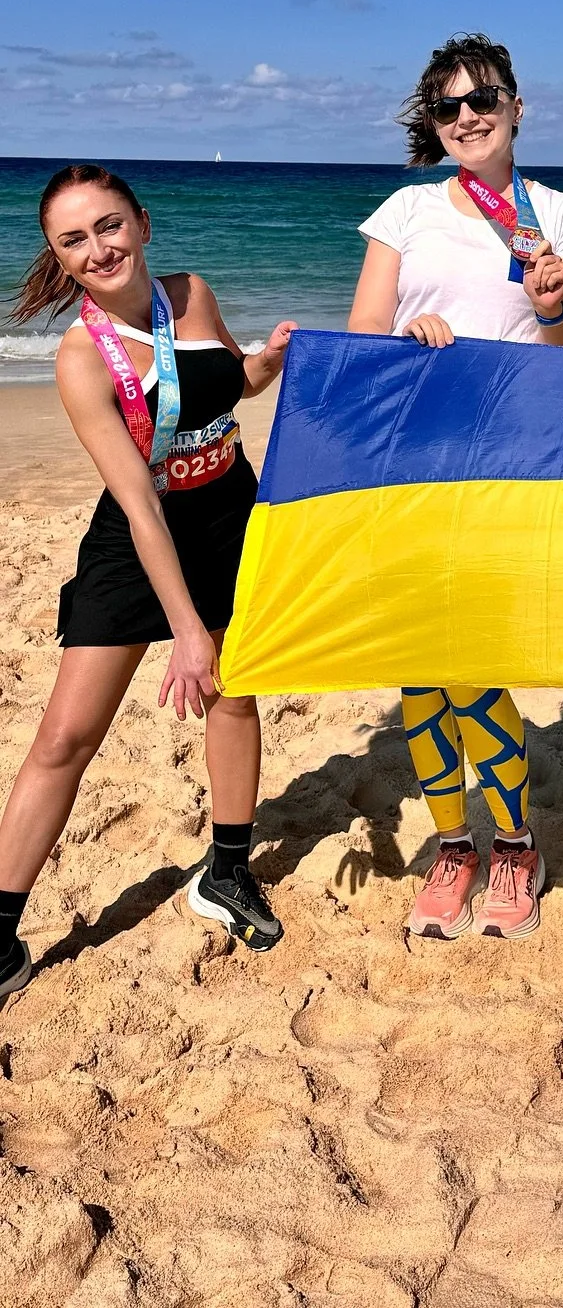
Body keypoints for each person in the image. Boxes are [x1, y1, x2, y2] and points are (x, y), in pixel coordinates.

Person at [0, 165, 295, 1000]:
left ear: (143, 223)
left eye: (109, 226)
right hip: (140, 539)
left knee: (237, 697)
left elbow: (229, 382)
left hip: (230, 514)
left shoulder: (190, 294)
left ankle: (226, 872)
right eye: (74, 240)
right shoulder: (78, 358)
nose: (98, 249)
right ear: (59, 259)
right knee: (65, 737)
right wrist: (186, 630)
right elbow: (136, 500)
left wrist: (266, 362)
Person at [349, 32, 563, 942]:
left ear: (517, 106)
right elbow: (366, 332)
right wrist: (405, 335)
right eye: (449, 106)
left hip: (509, 468)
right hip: (413, 460)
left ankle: (517, 846)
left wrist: (548, 310)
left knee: (478, 657)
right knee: (423, 658)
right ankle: (454, 843)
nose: (467, 117)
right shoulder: (409, 211)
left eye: (483, 99)